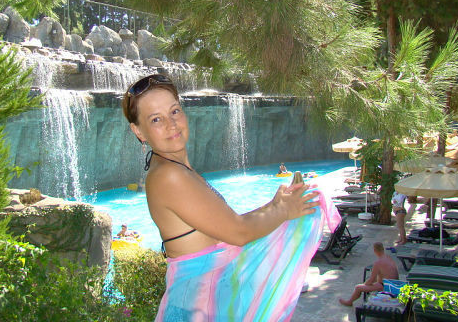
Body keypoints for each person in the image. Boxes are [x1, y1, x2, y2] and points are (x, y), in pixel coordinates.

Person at [122, 74, 342, 320]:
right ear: (138, 131)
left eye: (174, 111)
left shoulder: (174, 168)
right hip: (195, 310)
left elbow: (223, 227)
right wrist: (284, 210)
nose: (171, 124)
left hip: (200, 305)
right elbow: (239, 232)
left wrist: (276, 205)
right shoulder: (169, 176)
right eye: (156, 119)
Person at [338, 242, 399, 306]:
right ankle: (351, 301)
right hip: (394, 285)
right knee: (373, 282)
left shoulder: (378, 263)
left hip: (385, 287)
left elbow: (371, 280)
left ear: (375, 250)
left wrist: (365, 284)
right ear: (383, 249)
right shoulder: (389, 258)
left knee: (358, 287)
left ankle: (349, 302)